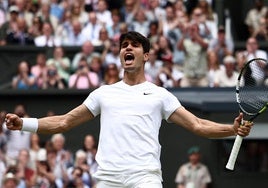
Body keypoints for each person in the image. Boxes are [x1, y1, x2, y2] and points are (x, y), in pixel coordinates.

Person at [4, 31, 253, 188]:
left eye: (134, 45)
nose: (127, 48)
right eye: (124, 45)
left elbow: (198, 125)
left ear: (146, 55)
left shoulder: (160, 95)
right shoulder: (104, 93)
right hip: (108, 178)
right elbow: (64, 122)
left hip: (144, 177)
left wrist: (230, 129)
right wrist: (24, 123)